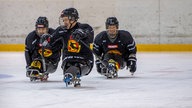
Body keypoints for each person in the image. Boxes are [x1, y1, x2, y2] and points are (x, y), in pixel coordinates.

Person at [49, 8, 94, 87]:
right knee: (68, 66)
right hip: (68, 58)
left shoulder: (84, 27)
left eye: (66, 19)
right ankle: (71, 73)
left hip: (84, 58)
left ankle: (74, 72)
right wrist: (46, 39)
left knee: (78, 66)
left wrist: (82, 33)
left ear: (73, 19)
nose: (64, 22)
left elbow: (90, 37)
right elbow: (51, 42)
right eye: (63, 20)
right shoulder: (60, 30)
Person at [25, 16, 62, 81]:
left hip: (51, 61)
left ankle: (42, 69)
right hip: (36, 60)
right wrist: (29, 65)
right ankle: (36, 68)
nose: (41, 31)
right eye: (39, 29)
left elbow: (60, 49)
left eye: (43, 29)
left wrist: (50, 46)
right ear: (36, 28)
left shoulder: (54, 34)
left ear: (47, 28)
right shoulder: (31, 37)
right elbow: (27, 52)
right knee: (35, 62)